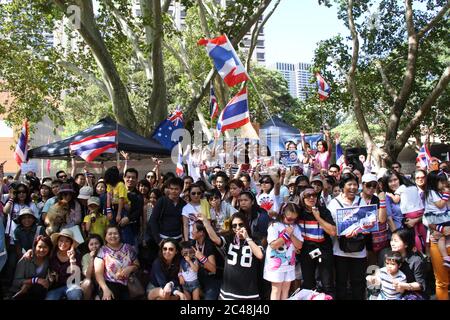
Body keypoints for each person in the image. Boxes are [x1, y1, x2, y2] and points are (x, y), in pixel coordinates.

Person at [201, 212, 264, 300]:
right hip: (227, 293)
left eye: (241, 224)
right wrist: (205, 222)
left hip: (249, 294)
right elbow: (215, 239)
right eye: (234, 226)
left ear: (246, 224)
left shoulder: (255, 241)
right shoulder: (229, 239)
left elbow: (260, 255)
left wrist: (247, 238)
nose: (238, 228)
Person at [327, 173, 367, 300]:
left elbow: (368, 223)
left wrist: (360, 229)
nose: (353, 187)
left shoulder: (362, 201)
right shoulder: (334, 203)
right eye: (349, 184)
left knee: (358, 282)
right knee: (341, 282)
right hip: (340, 251)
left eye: (355, 184)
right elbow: (330, 227)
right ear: (342, 186)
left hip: (359, 251)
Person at [298, 188, 336, 297]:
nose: (311, 198)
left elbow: (333, 232)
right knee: (308, 283)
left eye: (314, 195)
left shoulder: (323, 211)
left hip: (324, 249)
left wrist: (318, 217)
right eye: (308, 195)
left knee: (327, 284)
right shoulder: (299, 211)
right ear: (302, 198)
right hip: (305, 250)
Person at [264, 203, 303, 300]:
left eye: (294, 219)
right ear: (282, 214)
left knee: (286, 289)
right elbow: (273, 245)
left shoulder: (295, 227)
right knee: (276, 289)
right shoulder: (274, 226)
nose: (292, 221)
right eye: (289, 218)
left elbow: (299, 245)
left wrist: (291, 235)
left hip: (289, 264)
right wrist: (286, 236)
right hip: (276, 265)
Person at [94, 226, 140, 300]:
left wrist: (131, 268)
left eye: (115, 233)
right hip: (109, 284)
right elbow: (98, 273)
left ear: (120, 235)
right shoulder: (102, 251)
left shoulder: (128, 248)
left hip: (128, 283)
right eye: (110, 234)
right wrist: (105, 289)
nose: (113, 236)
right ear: (105, 237)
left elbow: (137, 264)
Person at [386, 170, 426, 253]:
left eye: (395, 180)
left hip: (411, 224)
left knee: (418, 235)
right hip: (400, 234)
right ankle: (421, 251)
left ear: (399, 179)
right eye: (390, 181)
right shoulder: (387, 196)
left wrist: (415, 220)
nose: (393, 183)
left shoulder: (403, 190)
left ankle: (421, 251)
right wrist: (396, 236)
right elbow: (389, 219)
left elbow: (426, 212)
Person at [10, 235, 53, 300]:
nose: (42, 250)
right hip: (20, 291)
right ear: (35, 247)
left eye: (45, 247)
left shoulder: (48, 261)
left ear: (49, 249)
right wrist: (35, 280)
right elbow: (16, 282)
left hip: (37, 291)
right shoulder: (26, 259)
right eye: (39, 247)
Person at [390, 228, 428, 299]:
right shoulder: (390, 257)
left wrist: (404, 285)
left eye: (395, 241)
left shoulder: (416, 260)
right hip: (394, 292)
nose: (392, 243)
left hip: (413, 293)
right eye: (391, 240)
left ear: (406, 244)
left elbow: (421, 285)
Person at [46, 228, 83, 300]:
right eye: (61, 240)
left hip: (71, 285)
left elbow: (75, 275)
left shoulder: (77, 255)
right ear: (57, 241)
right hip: (55, 287)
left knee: (75, 295)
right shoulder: (51, 253)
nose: (63, 243)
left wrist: (71, 259)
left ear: (71, 244)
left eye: (67, 241)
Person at [423, 171, 450, 268]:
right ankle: (446, 258)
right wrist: (446, 194)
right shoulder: (432, 192)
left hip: (440, 219)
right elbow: (441, 205)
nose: (444, 185)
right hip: (437, 219)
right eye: (442, 182)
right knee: (441, 237)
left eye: (444, 182)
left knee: (441, 237)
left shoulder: (436, 192)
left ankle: (446, 258)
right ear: (434, 182)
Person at [150, 177, 186, 245]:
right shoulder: (161, 201)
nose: (173, 191)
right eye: (171, 189)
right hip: (163, 238)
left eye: (176, 189)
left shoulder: (183, 204)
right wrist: (158, 240)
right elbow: (153, 220)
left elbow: (185, 224)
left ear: (181, 190)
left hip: (178, 238)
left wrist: (183, 239)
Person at [80, 234, 103, 300]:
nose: (94, 246)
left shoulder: (105, 253)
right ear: (88, 246)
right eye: (91, 244)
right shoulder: (86, 256)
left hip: (103, 281)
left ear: (100, 244)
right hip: (92, 282)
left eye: (96, 243)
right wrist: (92, 258)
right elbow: (87, 275)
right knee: (87, 283)